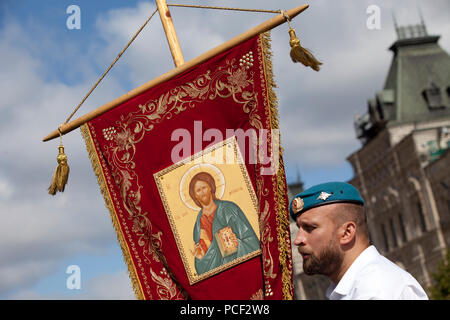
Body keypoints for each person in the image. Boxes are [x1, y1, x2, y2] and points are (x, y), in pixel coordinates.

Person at [289, 181, 428, 300]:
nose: (298, 240)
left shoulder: (376, 289)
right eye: (299, 228)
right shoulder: (357, 287)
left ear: (347, 232)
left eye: (309, 228)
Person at [189, 172, 260, 276]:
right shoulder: (198, 225)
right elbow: (203, 268)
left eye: (204, 187)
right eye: (198, 191)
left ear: (211, 187)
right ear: (194, 195)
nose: (202, 192)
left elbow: (251, 242)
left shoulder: (228, 209)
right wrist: (200, 259)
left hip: (240, 269)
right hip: (218, 278)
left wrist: (236, 244)